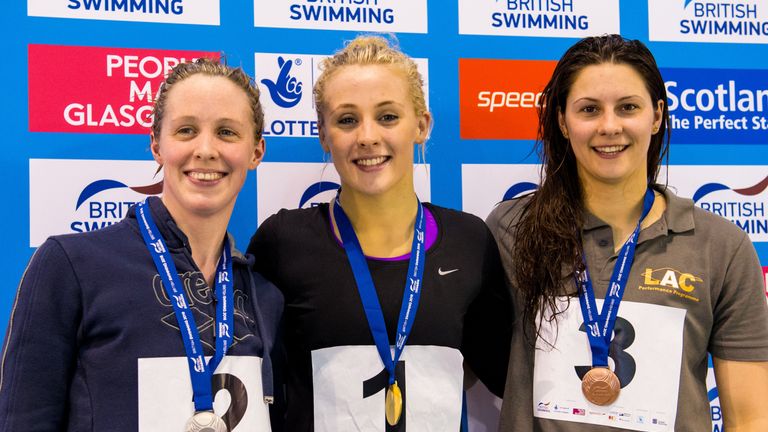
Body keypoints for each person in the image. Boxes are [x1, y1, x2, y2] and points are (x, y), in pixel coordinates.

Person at [486, 34, 768, 431]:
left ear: (656, 116)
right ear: (563, 122)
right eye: (589, 110)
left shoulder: (720, 246)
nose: (609, 126)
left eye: (627, 107)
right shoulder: (510, 230)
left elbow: (749, 419)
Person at [0, 58, 283, 431]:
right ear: (156, 145)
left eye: (227, 132)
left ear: (256, 152)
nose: (205, 149)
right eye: (185, 130)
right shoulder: (72, 265)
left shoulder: (264, 295)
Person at [247, 35, 512, 431]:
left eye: (388, 116)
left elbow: (503, 373)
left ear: (421, 125)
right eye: (347, 119)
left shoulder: (468, 241)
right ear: (323, 134)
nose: (367, 137)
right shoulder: (283, 242)